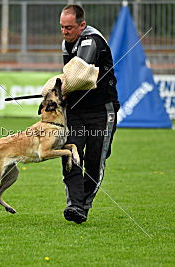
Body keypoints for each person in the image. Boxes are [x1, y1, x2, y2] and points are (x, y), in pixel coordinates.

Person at [59, 4, 120, 224]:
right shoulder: (67, 43)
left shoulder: (92, 40)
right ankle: (75, 205)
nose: (65, 32)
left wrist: (55, 89)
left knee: (94, 160)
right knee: (70, 155)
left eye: (69, 27)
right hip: (76, 110)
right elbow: (70, 82)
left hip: (102, 110)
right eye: (62, 27)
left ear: (82, 25)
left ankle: (82, 206)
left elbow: (78, 75)